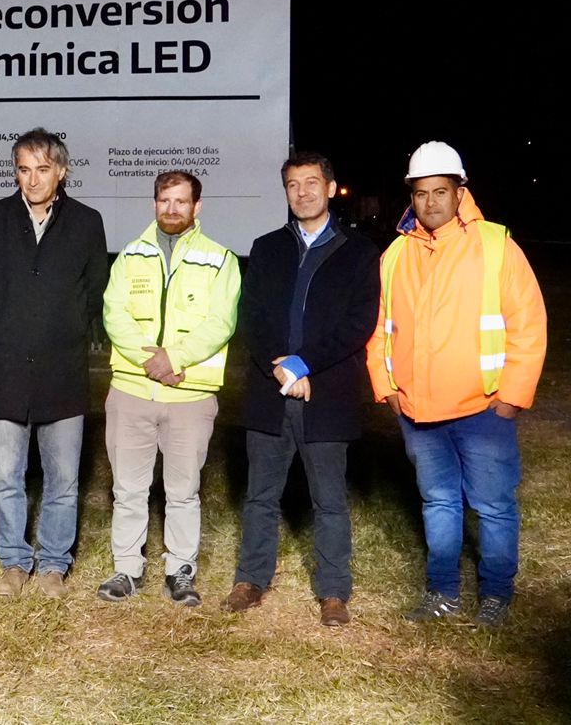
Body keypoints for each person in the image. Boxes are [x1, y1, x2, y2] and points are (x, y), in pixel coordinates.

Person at [367, 141, 546, 629]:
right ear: (412, 195)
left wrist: (512, 396)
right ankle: (442, 591)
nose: (430, 202)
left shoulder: (495, 244)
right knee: (438, 503)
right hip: (419, 414)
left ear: (460, 190)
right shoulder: (396, 253)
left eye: (440, 191)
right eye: (421, 193)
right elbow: (379, 326)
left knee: (492, 506)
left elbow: (528, 324)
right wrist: (387, 388)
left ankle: (496, 595)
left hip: (482, 409)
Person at [220, 152, 379, 627]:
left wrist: (305, 364)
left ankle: (333, 591)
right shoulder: (267, 247)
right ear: (286, 192)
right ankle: (251, 579)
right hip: (271, 394)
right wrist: (283, 370)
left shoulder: (359, 251)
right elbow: (252, 316)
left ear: (331, 188)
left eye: (312, 183)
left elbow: (358, 323)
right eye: (293, 185)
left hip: (327, 393)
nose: (303, 192)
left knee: (328, 498)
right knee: (260, 494)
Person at [0, 128, 106, 599]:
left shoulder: (88, 223)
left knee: (63, 480)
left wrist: (63, 326)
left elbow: (95, 292)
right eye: (24, 169)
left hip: (62, 373)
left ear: (62, 172)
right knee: (6, 478)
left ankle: (53, 564)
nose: (32, 180)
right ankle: (13, 560)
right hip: (3, 371)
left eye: (43, 169)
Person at [98, 170, 238, 607]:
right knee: (128, 489)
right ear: (154, 203)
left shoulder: (220, 260)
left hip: (190, 398)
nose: (171, 209)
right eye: (164, 200)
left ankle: (181, 571)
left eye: (181, 201)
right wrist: (151, 363)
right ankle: (127, 570)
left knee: (182, 492)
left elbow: (221, 322)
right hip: (131, 393)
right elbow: (113, 314)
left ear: (197, 207)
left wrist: (173, 359)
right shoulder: (130, 257)